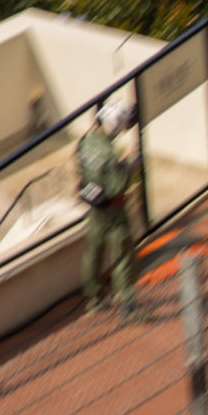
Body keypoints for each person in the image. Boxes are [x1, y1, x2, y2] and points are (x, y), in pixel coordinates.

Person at [78, 101, 142, 319]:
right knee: (123, 252)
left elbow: (82, 170)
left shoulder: (86, 142)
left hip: (94, 207)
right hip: (113, 210)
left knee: (93, 250)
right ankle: (127, 305)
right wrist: (131, 167)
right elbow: (117, 186)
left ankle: (94, 298)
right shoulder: (109, 153)